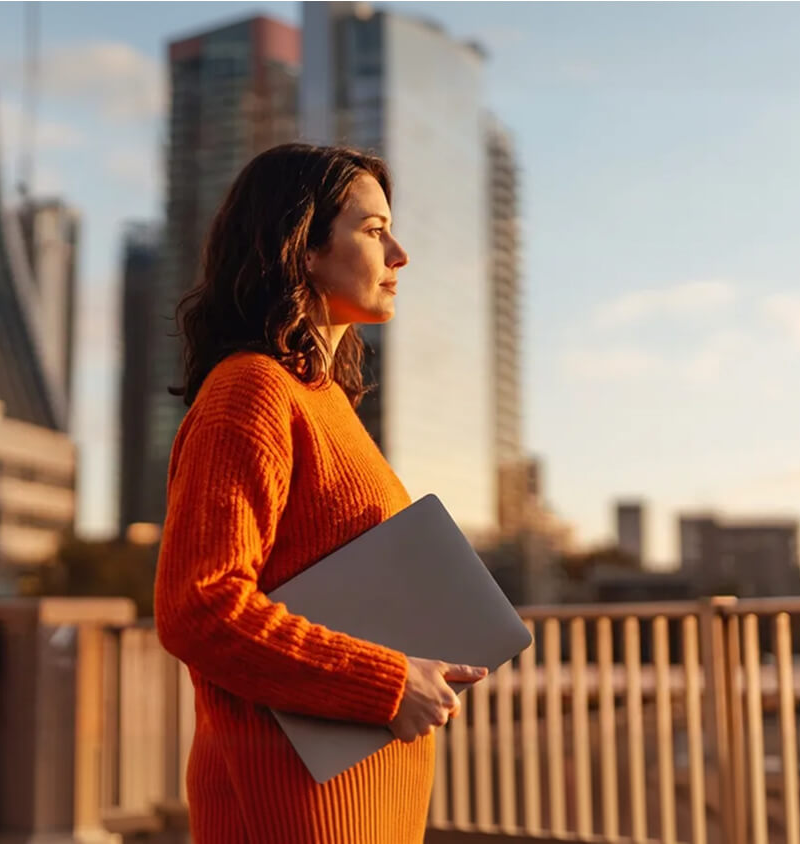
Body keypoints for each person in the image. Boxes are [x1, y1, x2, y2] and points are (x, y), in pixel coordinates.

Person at [154, 143, 488, 844]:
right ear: (301, 248)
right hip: (292, 799)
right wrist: (388, 683)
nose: (400, 254)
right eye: (373, 230)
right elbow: (199, 606)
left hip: (363, 782)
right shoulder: (251, 390)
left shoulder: (324, 399)